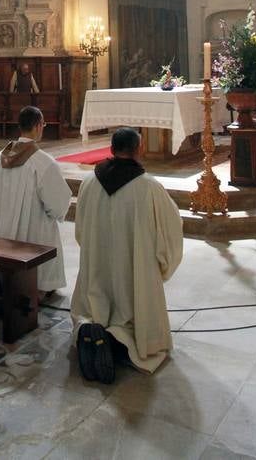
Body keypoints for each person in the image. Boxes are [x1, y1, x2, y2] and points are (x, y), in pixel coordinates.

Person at [72, 127, 183, 382]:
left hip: (98, 268)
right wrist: (162, 265)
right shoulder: (148, 187)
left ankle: (95, 327)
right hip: (134, 271)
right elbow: (170, 229)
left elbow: (80, 230)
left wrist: (95, 249)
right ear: (139, 149)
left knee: (96, 297)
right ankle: (123, 337)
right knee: (133, 298)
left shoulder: (89, 181)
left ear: (111, 149)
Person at [0, 106, 71, 297]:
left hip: (2, 230)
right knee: (45, 235)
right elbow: (58, 202)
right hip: (33, 232)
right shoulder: (43, 162)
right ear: (39, 125)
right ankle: (39, 287)